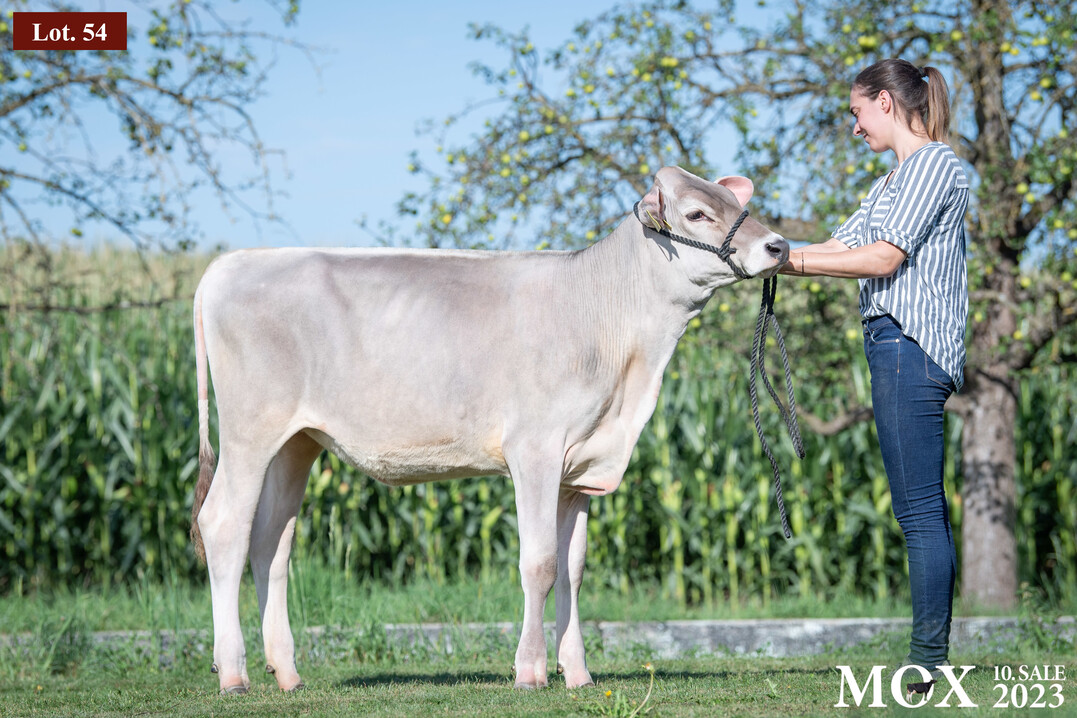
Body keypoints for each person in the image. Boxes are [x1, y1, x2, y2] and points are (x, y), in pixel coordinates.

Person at [781, 58, 969, 685]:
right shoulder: (892, 182)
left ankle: (928, 663)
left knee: (919, 510)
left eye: (857, 112)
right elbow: (841, 244)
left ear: (886, 102)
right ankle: (929, 658)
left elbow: (883, 258)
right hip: (892, 346)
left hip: (909, 346)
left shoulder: (933, 166)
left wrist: (795, 266)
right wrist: (767, 254)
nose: (854, 126)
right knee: (915, 508)